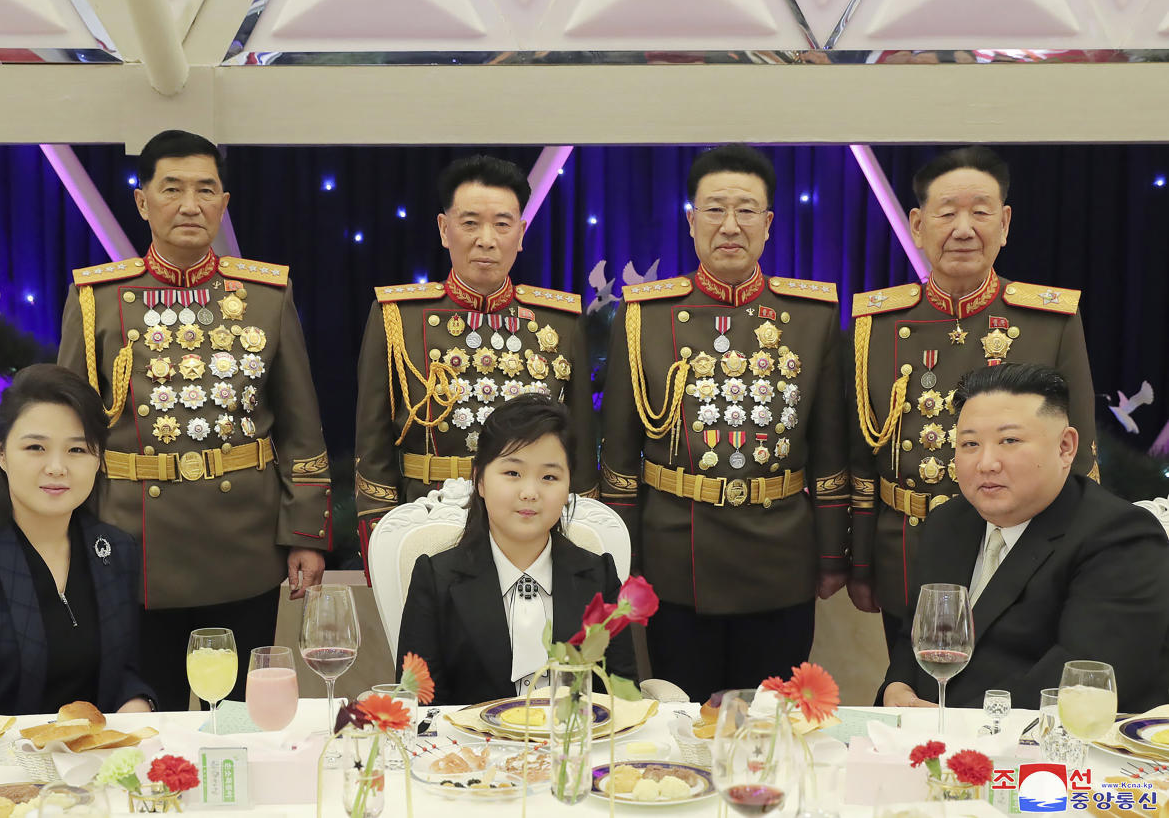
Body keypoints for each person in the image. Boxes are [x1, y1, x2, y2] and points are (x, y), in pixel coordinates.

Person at [57, 130, 332, 709]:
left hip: (243, 543)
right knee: (140, 714)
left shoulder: (265, 294)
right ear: (142, 201)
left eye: (206, 190)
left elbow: (300, 427)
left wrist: (307, 533)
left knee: (234, 720)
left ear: (224, 203)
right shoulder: (97, 298)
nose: (190, 205)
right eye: (172, 189)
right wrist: (69, 535)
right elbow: (70, 433)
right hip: (132, 544)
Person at [599, 145, 850, 702]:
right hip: (675, 561)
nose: (730, 226)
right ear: (691, 222)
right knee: (677, 722)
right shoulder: (644, 316)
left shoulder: (812, 316)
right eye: (714, 210)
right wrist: (622, 561)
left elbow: (831, 452)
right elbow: (617, 459)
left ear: (769, 224)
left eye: (746, 211)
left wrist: (833, 557)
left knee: (773, 724)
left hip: (780, 558)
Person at [849, 146, 1098, 650]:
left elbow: (1080, 458)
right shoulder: (875, 327)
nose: (964, 228)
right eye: (947, 213)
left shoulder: (1050, 321)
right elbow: (858, 458)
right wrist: (856, 563)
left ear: (1004, 224)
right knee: (915, 699)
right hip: (909, 551)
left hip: (1022, 554)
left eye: (981, 212)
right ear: (917, 225)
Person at [354, 155, 597, 572]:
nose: (486, 239)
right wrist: (381, 542)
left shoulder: (560, 322)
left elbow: (581, 452)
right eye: (470, 223)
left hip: (533, 532)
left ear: (520, 234)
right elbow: (372, 447)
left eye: (502, 225)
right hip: (427, 523)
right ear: (444, 230)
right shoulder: (398, 316)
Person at [881, 363, 1169, 712]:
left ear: (1065, 448)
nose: (986, 463)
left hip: (1046, 754)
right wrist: (896, 685)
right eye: (969, 443)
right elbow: (916, 635)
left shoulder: (1120, 537)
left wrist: (956, 725)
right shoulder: (948, 522)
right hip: (927, 743)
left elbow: (1083, 680)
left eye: (1010, 441)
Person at [0, 364, 156, 715]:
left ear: (98, 459)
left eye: (77, 450)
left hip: (98, 758)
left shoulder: (115, 550)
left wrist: (136, 703)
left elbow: (123, 670)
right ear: (2, 453)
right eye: (35, 447)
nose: (56, 467)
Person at [396, 394, 636, 705]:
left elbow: (624, 698)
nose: (530, 492)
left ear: (568, 489)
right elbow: (418, 707)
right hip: (469, 751)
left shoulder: (599, 576)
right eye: (513, 473)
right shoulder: (436, 578)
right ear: (480, 480)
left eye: (549, 477)